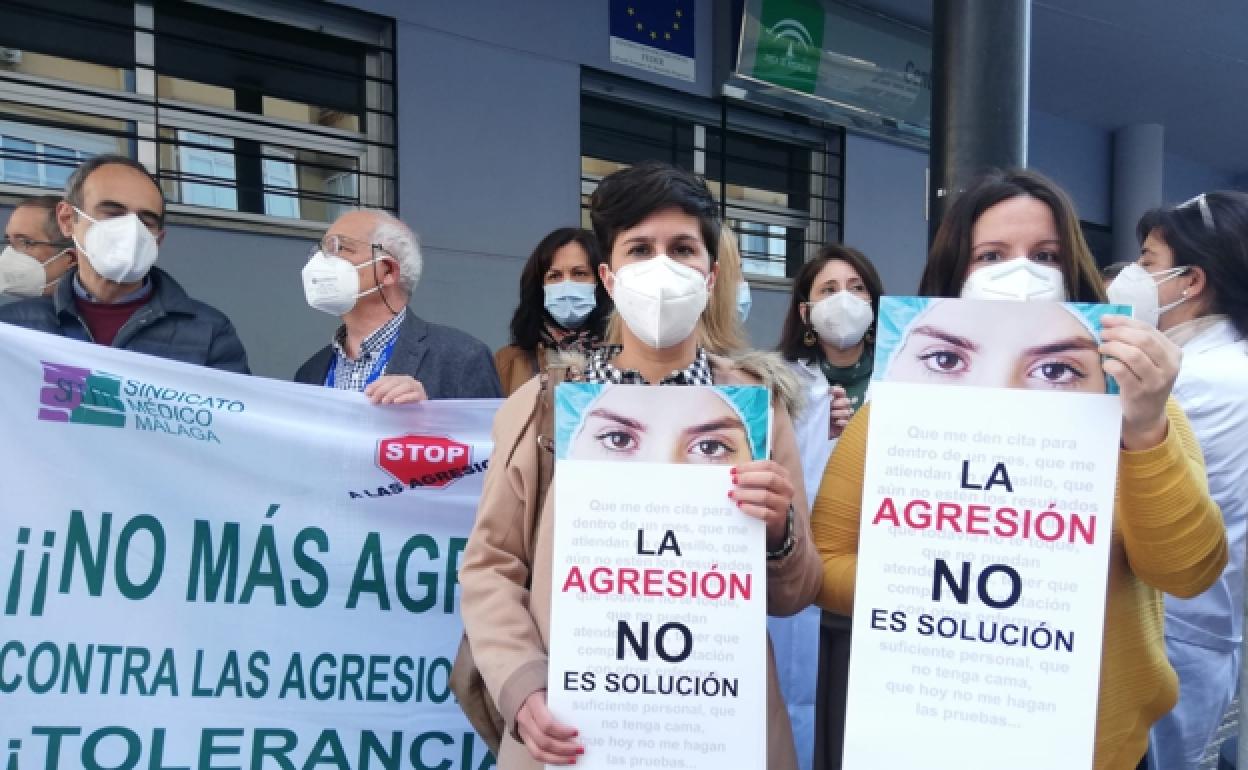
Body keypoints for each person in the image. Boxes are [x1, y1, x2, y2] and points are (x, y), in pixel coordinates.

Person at [811, 168, 1227, 770]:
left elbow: (1188, 571)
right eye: (992, 255)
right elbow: (826, 563)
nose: (1021, 272)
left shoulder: (1137, 407)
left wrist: (1143, 430)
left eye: (1046, 254)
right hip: (934, 738)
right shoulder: (897, 414)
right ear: (956, 274)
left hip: (1095, 749)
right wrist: (954, 588)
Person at [459, 161, 822, 769]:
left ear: (711, 276)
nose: (663, 267)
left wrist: (780, 530)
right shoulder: (545, 408)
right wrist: (523, 687)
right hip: (575, 730)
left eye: (683, 249)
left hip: (716, 728)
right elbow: (491, 565)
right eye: (640, 249)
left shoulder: (754, 411)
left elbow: (797, 592)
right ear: (608, 274)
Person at [1114, 192, 1248, 770]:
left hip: (1172, 630)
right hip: (1211, 628)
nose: (1131, 275)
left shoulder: (1190, 380)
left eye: (1146, 262)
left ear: (1189, 281)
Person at [776, 244, 882, 770]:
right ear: (805, 312)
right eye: (829, 289)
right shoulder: (783, 385)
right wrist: (818, 437)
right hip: (814, 586)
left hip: (881, 575)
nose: (845, 300)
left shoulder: (908, 377)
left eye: (857, 287)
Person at [0, 155, 249, 373]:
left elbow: (234, 421)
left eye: (147, 221)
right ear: (67, 219)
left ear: (158, 240)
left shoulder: (208, 332)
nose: (131, 230)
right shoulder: (13, 328)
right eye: (112, 212)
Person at [294, 208, 501, 402]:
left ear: (388, 271)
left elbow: (490, 437)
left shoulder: (462, 357)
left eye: (338, 247)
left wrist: (431, 417)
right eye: (320, 250)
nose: (320, 261)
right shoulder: (308, 374)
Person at [881, 298, 1111, 393]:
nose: (999, 393)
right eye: (945, 360)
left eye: (1054, 371)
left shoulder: (1131, 443)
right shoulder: (868, 438)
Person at [494, 228, 611, 396]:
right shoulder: (508, 362)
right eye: (555, 276)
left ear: (602, 281)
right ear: (540, 287)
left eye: (579, 273)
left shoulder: (627, 358)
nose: (567, 286)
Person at [559, 382, 767, 465]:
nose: (664, 467)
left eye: (709, 447)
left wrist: (777, 536)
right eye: (619, 440)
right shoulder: (542, 399)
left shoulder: (765, 397)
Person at [1, 195, 76, 297]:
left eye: (25, 242)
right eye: (8, 241)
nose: (9, 253)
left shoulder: (94, 310)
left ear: (70, 259)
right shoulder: (12, 312)